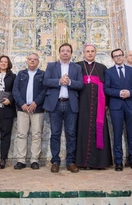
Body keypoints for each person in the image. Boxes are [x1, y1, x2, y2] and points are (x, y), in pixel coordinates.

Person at [43, 43, 84, 173]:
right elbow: (46, 81)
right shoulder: (51, 66)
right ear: (59, 53)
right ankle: (55, 161)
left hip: (70, 104)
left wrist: (70, 82)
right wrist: (59, 81)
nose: (65, 53)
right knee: (55, 134)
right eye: (63, 51)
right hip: (55, 104)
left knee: (71, 134)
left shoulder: (76, 67)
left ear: (71, 53)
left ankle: (70, 162)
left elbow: (81, 84)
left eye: (68, 51)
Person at [104, 48, 132, 171]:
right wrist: (119, 93)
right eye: (116, 56)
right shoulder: (109, 72)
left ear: (123, 56)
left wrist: (130, 92)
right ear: (113, 58)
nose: (118, 58)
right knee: (117, 134)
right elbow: (107, 89)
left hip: (131, 105)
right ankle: (118, 161)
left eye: (120, 55)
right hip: (116, 106)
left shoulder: (131, 70)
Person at [75, 44, 112, 169]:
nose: (90, 53)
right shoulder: (77, 66)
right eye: (87, 51)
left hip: (98, 106)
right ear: (83, 53)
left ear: (95, 53)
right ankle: (82, 162)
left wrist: (107, 103)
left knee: (98, 131)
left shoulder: (102, 68)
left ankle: (99, 162)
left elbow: (107, 87)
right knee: (82, 130)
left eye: (92, 51)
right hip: (82, 105)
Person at [12, 53, 46, 170]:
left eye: (34, 59)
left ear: (38, 62)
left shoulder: (43, 74)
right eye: (30, 59)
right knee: (21, 134)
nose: (32, 61)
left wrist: (35, 102)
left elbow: (44, 91)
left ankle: (34, 160)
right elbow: (15, 90)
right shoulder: (21, 74)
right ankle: (21, 160)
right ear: (27, 61)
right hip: (22, 109)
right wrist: (22, 104)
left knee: (36, 135)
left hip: (37, 109)